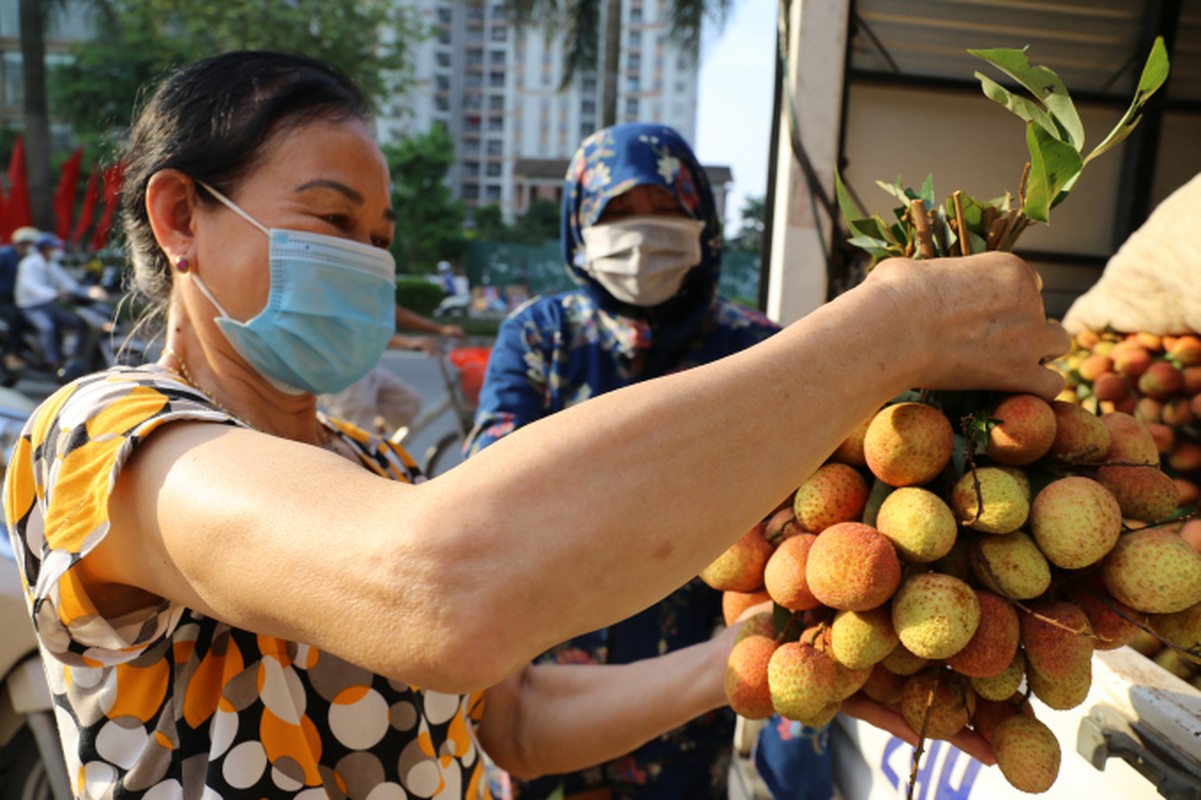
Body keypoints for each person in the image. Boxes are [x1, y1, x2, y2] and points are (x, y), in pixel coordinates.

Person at [1, 51, 1067, 800]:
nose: (369, 261)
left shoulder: (375, 463)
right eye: (332, 221)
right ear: (180, 216)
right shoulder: (106, 442)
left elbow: (509, 721)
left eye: (380, 235)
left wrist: (750, 650)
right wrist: (885, 330)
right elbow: (438, 589)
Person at [465, 122, 790, 800]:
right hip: (542, 699)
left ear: (700, 219)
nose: (643, 232)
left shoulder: (759, 353)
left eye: (665, 207)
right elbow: (489, 492)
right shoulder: (540, 337)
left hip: (689, 693)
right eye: (617, 212)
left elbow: (796, 511)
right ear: (579, 225)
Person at [319, 305, 465, 435]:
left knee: (408, 402)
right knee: (362, 431)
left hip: (365, 364)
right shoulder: (340, 282)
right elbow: (361, 330)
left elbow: (391, 309)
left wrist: (439, 329)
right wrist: (409, 342)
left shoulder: (370, 279)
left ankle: (373, 445)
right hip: (338, 369)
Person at [14, 232, 91, 375]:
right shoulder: (28, 264)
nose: (56, 251)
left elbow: (67, 282)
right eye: (53, 248)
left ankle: (75, 359)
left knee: (78, 322)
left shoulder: (51, 264)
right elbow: (32, 287)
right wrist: (55, 293)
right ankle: (53, 362)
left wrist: (86, 291)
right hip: (30, 307)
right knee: (48, 327)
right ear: (44, 249)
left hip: (48, 305)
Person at [0, 226, 40, 373]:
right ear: (17, 243)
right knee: (16, 317)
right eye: (24, 243)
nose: (26, 247)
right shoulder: (4, 255)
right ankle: (11, 354)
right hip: (3, 299)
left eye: (30, 244)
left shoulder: (32, 261)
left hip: (21, 299)